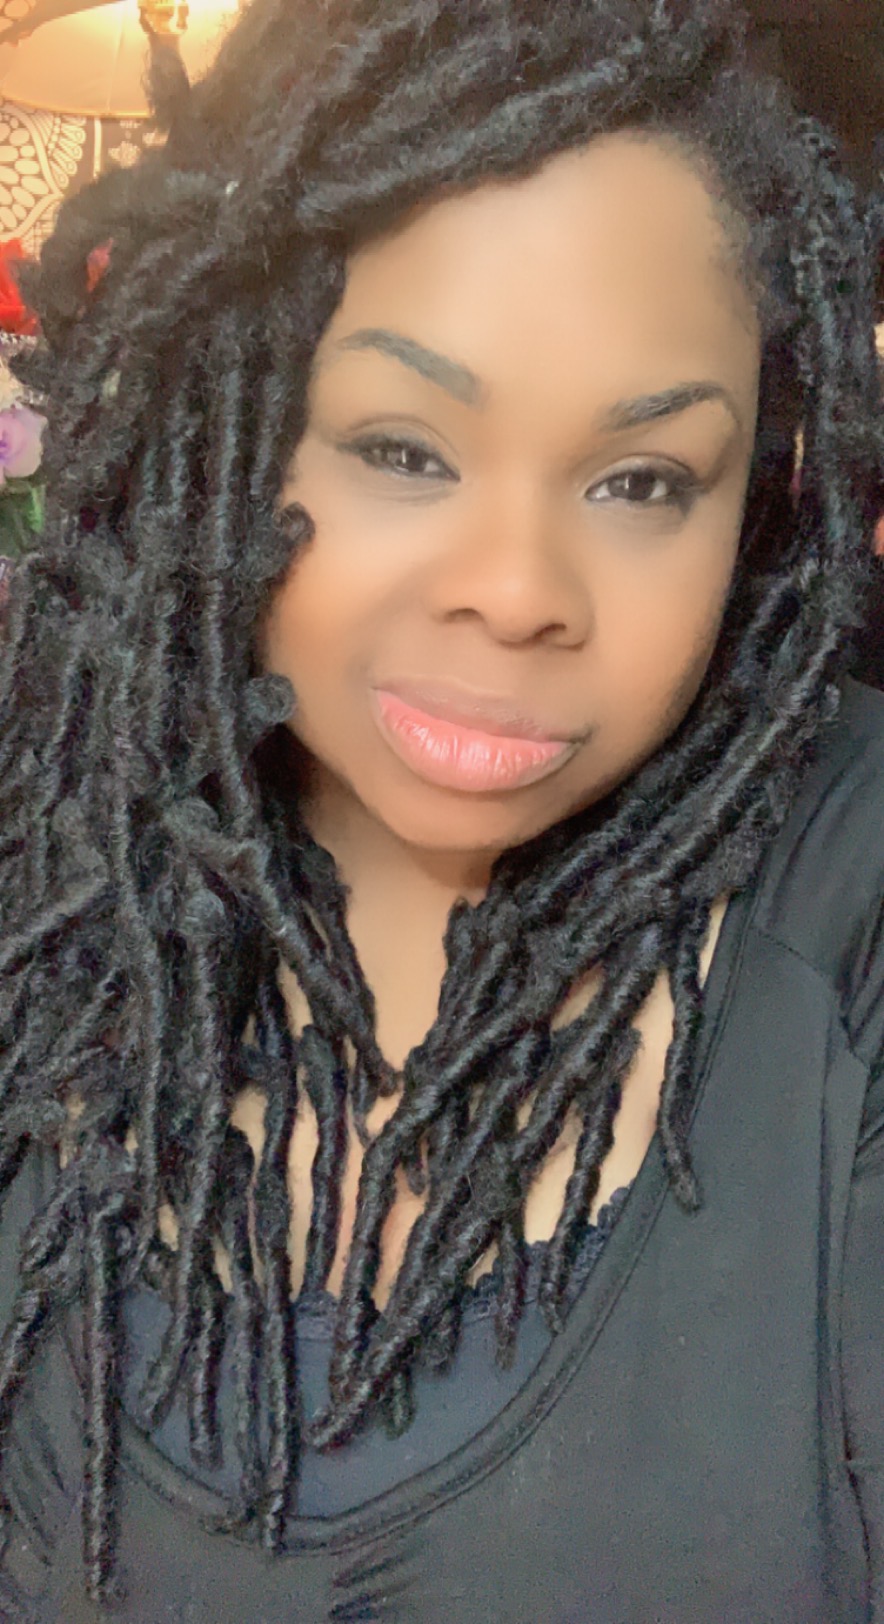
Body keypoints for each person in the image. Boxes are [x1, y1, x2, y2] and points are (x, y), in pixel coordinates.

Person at [0, 1, 882, 1617]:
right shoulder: (45, 880)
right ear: (222, 421)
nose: (518, 590)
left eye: (641, 481)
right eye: (403, 450)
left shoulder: (852, 904)